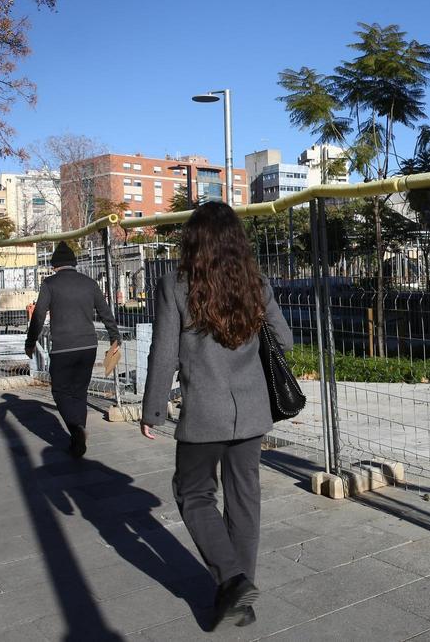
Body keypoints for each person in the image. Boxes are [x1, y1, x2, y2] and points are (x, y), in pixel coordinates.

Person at [140, 202, 293, 630]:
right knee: (244, 500)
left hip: (204, 411)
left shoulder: (175, 285)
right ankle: (240, 600)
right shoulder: (255, 284)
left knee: (192, 493)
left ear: (194, 241)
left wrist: (153, 410)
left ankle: (232, 581)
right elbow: (285, 340)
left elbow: (164, 353)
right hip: (252, 411)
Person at [25, 242, 121, 458]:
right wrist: (115, 337)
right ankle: (78, 439)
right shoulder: (89, 283)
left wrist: (30, 342)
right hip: (88, 346)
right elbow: (105, 312)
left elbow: (39, 315)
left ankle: (77, 431)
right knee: (79, 391)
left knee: (60, 391)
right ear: (74, 263)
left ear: (54, 265)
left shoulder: (49, 284)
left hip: (63, 347)